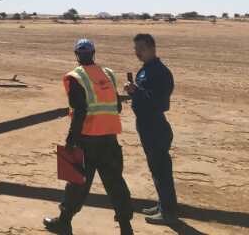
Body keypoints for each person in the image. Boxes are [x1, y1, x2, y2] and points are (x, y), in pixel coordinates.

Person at [44, 39, 133, 235]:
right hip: (110, 138)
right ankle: (126, 228)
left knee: (76, 183)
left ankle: (64, 222)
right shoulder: (108, 74)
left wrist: (70, 140)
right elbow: (117, 106)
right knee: (116, 183)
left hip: (86, 140)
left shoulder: (76, 77)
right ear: (93, 54)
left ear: (77, 55)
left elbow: (80, 111)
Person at [124, 33, 178, 225]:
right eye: (135, 49)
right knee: (156, 169)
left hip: (156, 126)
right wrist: (134, 91)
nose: (137, 53)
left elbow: (160, 103)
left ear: (152, 48)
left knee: (162, 170)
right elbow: (144, 95)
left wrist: (136, 92)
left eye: (141, 49)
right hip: (147, 126)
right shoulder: (146, 70)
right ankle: (162, 205)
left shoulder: (160, 72)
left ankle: (168, 213)